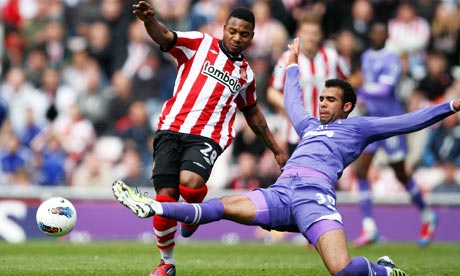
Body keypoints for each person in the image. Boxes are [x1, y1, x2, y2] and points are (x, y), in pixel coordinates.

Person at [113, 37, 460, 276]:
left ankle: (381, 268)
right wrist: (292, 67)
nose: (321, 103)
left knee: (345, 270)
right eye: (321, 98)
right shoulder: (308, 125)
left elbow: (406, 121)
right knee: (220, 208)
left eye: (330, 100)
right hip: (279, 194)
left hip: (314, 199)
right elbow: (293, 100)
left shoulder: (359, 128)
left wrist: (450, 106)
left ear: (347, 107)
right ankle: (153, 206)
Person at [125, 2, 288, 276]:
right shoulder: (199, 43)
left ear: (252, 37)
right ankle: (167, 263)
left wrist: (276, 149)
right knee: (165, 200)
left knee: (189, 184)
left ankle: (194, 208)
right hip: (170, 128)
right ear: (224, 29)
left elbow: (253, 113)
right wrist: (149, 21)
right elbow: (166, 38)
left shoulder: (246, 74)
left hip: (208, 135)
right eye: (233, 31)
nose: (237, 37)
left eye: (244, 34)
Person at [352, 22, 438, 248]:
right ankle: (369, 227)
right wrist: (360, 99)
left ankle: (427, 214)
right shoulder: (367, 56)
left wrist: (357, 88)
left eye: (382, 32)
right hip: (371, 122)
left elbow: (384, 90)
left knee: (400, 173)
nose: (378, 35)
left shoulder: (392, 59)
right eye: (375, 32)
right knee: (361, 171)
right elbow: (368, 91)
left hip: (391, 123)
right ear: (371, 35)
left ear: (387, 34)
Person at [267, 17, 349, 155]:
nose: (310, 37)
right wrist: (292, 108)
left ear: (320, 35)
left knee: (327, 172)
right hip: (295, 132)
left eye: (314, 33)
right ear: (299, 33)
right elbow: (272, 92)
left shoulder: (331, 57)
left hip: (328, 129)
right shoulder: (287, 58)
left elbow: (347, 83)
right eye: (307, 32)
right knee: (298, 173)